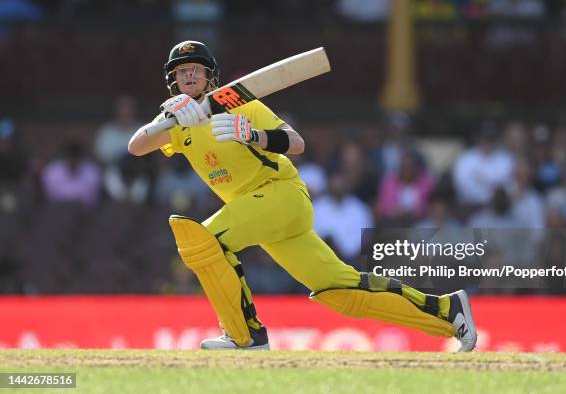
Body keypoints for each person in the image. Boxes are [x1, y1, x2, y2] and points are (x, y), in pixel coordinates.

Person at [128, 40, 477, 351]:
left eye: (195, 70)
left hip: (280, 195)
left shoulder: (238, 105)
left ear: (210, 76)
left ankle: (244, 336)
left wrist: (253, 135)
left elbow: (296, 142)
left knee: (204, 241)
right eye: (182, 71)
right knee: (340, 291)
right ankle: (448, 312)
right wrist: (165, 121)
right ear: (173, 80)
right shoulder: (176, 126)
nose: (189, 75)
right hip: (260, 213)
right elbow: (136, 147)